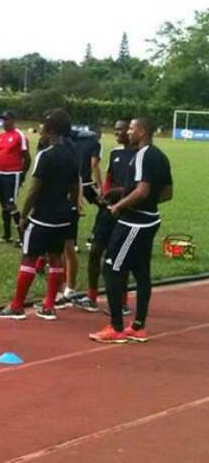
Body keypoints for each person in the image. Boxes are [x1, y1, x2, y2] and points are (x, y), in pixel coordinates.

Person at [90, 117, 172, 343]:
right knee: (141, 272)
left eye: (132, 129)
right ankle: (138, 326)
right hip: (150, 220)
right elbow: (166, 193)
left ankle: (116, 327)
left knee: (112, 268)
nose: (128, 132)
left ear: (142, 132)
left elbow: (142, 191)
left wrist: (120, 205)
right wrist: (122, 193)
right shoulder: (160, 156)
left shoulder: (143, 155)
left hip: (134, 222)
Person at [0, 109, 78, 321]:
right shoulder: (72, 155)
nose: (40, 128)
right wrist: (70, 207)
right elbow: (74, 187)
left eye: (43, 124)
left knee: (29, 257)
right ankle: (49, 306)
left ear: (50, 129)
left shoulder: (45, 154)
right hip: (63, 215)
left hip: (43, 215)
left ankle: (17, 306)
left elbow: (34, 189)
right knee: (56, 258)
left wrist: (24, 216)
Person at [73, 119, 136, 313]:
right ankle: (91, 297)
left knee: (119, 258)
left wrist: (119, 193)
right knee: (95, 252)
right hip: (108, 211)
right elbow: (109, 177)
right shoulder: (115, 153)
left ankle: (122, 302)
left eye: (121, 129)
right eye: (115, 129)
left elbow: (139, 187)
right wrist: (105, 194)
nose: (117, 133)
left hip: (127, 211)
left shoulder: (141, 155)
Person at [0, 111, 30, 244]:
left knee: (11, 204)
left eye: (6, 120)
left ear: (13, 120)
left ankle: (22, 236)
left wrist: (22, 174)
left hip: (13, 174)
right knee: (3, 203)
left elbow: (27, 157)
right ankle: (7, 235)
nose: (4, 122)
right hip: (0, 173)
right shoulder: (1, 136)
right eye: (3, 120)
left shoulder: (19, 136)